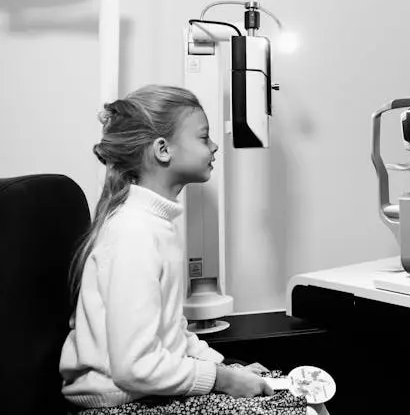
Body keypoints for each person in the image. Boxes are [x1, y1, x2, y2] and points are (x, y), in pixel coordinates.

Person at [60, 85, 283, 412]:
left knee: (291, 393)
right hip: (118, 404)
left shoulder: (155, 225)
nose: (214, 146)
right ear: (163, 150)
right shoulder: (134, 232)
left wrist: (225, 368)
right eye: (204, 137)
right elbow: (135, 367)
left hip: (145, 392)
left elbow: (170, 334)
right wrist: (222, 380)